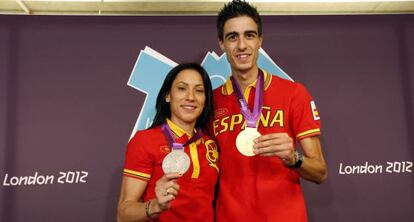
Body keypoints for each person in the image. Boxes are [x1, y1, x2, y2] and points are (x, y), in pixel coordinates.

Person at [212, 1, 328, 221]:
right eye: (232, 37)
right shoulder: (210, 101)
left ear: (260, 41)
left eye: (249, 35)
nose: (242, 45)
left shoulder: (294, 93)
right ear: (221, 44)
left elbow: (320, 172)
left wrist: (293, 158)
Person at [117, 63, 219, 222]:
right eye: (182, 88)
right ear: (167, 95)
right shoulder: (145, 140)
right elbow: (123, 214)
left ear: (206, 100)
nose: (191, 97)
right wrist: (156, 206)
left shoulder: (210, 144)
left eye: (199, 90)